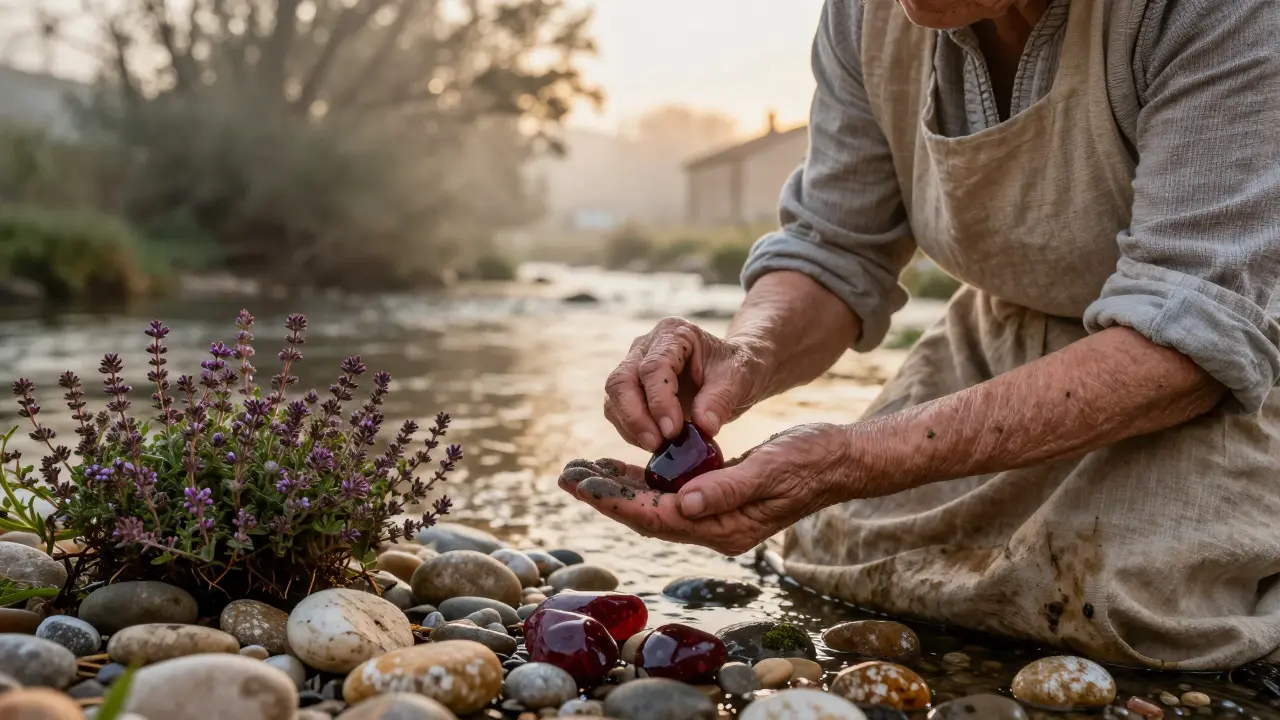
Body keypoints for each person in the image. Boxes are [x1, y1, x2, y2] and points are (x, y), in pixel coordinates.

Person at [559, 0, 1280, 670]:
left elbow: (1194, 329)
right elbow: (837, 252)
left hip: (1230, 373)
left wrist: (852, 458)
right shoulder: (865, 14)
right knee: (839, 558)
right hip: (999, 339)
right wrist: (745, 355)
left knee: (1126, 605)